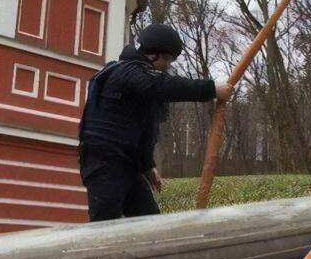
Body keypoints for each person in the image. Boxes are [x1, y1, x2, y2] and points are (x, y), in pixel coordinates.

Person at [78, 23, 232, 221]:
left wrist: (147, 167)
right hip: (103, 163)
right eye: (166, 59)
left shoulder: (143, 86)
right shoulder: (126, 72)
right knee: (104, 224)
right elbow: (161, 86)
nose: (168, 65)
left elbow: (142, 132)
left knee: (151, 222)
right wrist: (211, 89)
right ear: (151, 55)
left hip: (129, 166)